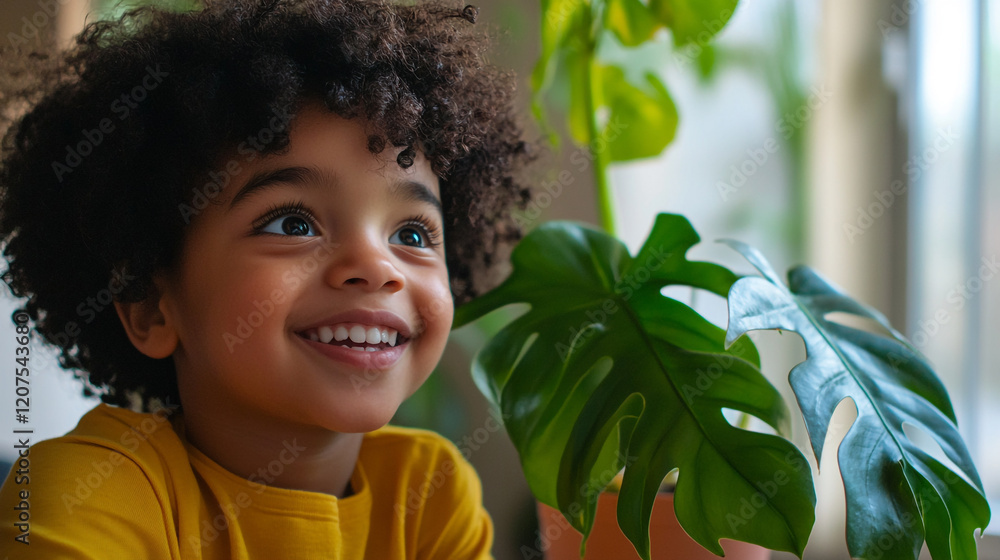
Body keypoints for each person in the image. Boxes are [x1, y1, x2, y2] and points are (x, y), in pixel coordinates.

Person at [0, 0, 536, 557]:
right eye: (293, 223)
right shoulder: (87, 492)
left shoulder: (430, 493)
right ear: (151, 307)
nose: (378, 267)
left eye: (413, 235)